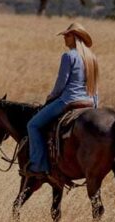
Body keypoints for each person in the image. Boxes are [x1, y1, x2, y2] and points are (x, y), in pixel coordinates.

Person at [24, 21, 99, 178]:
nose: (64, 38)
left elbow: (61, 83)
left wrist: (51, 96)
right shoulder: (92, 58)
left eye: (67, 35)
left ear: (76, 37)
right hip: (89, 103)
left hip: (69, 100)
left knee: (33, 125)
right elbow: (95, 86)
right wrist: (95, 106)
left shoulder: (68, 56)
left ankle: (38, 165)